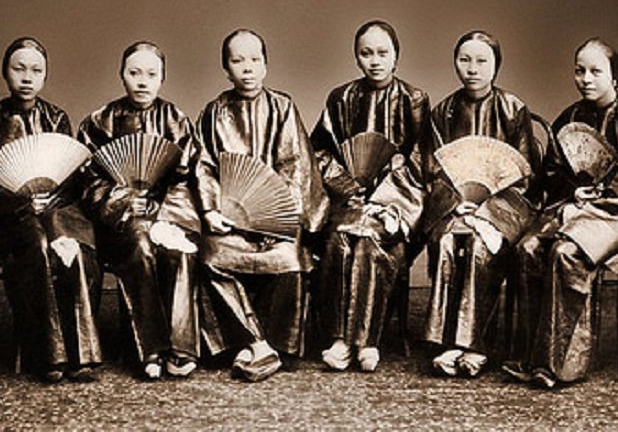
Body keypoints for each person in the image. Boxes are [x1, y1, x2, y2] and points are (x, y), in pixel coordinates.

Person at [505, 38, 618, 388]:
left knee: (567, 254)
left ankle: (562, 365)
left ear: (615, 77)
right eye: (580, 70)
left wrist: (597, 201)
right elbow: (552, 173)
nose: (586, 79)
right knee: (528, 249)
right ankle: (531, 355)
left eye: (596, 71)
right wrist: (572, 191)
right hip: (576, 209)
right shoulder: (571, 117)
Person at [195, 29, 328, 382]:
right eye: (237, 61)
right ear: (226, 69)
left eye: (255, 60)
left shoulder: (283, 107)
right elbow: (204, 166)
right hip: (231, 223)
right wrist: (210, 211)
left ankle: (266, 345)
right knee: (211, 257)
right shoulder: (213, 112)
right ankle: (258, 344)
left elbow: (296, 167)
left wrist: (277, 220)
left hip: (277, 225)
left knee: (289, 261)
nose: (247, 69)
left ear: (266, 65)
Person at [0, 37, 101, 383]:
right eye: (19, 68)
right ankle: (47, 353)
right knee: (36, 244)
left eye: (36, 70)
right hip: (8, 220)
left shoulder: (56, 118)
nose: (27, 77)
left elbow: (71, 176)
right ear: (5, 72)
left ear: (45, 76)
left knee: (77, 250)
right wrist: (20, 201)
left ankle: (82, 354)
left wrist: (49, 199)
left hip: (55, 211)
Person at [79, 41, 202, 380]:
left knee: (180, 249)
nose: (142, 81)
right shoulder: (98, 122)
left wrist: (164, 215)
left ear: (163, 78)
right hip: (119, 225)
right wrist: (124, 202)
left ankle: (181, 347)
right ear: (122, 75)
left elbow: (188, 178)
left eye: (151, 74)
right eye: (134, 73)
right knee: (139, 242)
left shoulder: (177, 121)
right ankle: (146, 350)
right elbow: (88, 183)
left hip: (167, 216)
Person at [311, 20, 429, 372]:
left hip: (396, 204)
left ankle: (366, 339)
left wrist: (385, 195)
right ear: (356, 57)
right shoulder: (341, 98)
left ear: (396, 56)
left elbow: (421, 160)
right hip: (349, 201)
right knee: (338, 240)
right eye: (366, 53)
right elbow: (319, 152)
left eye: (383, 52)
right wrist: (348, 187)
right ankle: (339, 338)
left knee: (371, 242)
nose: (375, 61)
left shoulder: (415, 99)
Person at [422, 31, 541, 378]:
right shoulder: (442, 112)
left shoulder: (514, 109)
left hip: (499, 211)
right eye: (465, 60)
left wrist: (486, 210)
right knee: (446, 241)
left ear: (496, 65)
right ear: (455, 63)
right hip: (456, 208)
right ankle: (443, 341)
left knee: (477, 245)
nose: (472, 69)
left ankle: (471, 344)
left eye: (481, 61)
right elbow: (433, 171)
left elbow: (525, 176)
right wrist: (457, 203)